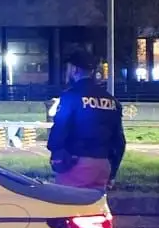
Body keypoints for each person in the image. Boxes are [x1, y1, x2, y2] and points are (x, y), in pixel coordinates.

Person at [47, 48, 126, 189]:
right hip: (103, 165)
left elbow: (60, 129)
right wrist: (112, 172)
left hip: (77, 164)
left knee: (68, 205)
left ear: (74, 70)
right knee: (93, 207)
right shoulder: (112, 101)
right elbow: (119, 141)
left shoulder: (71, 96)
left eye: (68, 68)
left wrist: (56, 153)